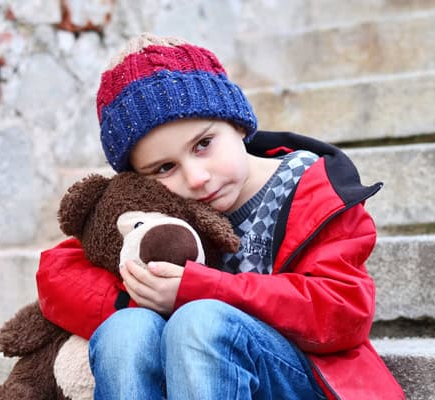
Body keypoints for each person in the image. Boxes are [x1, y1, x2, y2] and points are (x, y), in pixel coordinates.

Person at [36, 33, 405, 400]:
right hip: (196, 375)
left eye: (203, 144)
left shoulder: (311, 188)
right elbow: (56, 271)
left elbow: (344, 310)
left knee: (199, 322)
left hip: (300, 375)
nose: (196, 178)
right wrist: (143, 297)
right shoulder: (163, 208)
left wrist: (196, 289)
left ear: (238, 123)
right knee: (126, 331)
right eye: (164, 167)